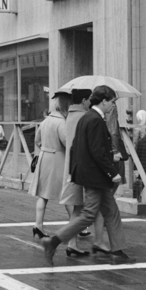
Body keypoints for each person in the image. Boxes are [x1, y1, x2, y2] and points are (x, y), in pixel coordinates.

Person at [42, 85, 135, 266]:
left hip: (92, 175)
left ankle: (118, 251)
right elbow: (97, 151)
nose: (114, 106)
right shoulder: (95, 120)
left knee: (111, 212)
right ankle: (53, 241)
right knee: (89, 214)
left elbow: (78, 146)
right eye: (112, 102)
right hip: (96, 177)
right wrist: (112, 172)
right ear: (104, 101)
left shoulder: (86, 118)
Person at [59, 89, 105, 257]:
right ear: (84, 100)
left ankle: (73, 243)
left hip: (73, 165)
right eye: (89, 100)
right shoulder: (84, 117)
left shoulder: (70, 116)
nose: (90, 103)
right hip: (84, 167)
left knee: (78, 207)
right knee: (93, 206)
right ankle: (98, 242)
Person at [29, 93, 71, 239]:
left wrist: (45, 147)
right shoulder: (61, 122)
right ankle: (77, 226)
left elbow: (37, 140)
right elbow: (67, 142)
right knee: (68, 194)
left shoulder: (45, 121)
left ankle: (38, 226)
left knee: (43, 195)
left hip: (44, 157)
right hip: (57, 159)